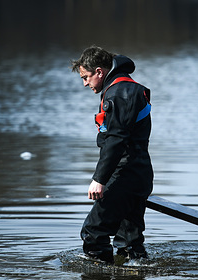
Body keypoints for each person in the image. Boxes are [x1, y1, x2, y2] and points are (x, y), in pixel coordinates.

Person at [71, 45, 153, 264]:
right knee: (129, 242)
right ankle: (137, 272)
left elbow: (116, 140)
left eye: (86, 77)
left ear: (99, 71)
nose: (85, 83)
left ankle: (97, 274)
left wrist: (99, 179)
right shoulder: (124, 88)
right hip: (137, 173)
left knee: (93, 233)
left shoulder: (120, 93)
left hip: (126, 174)